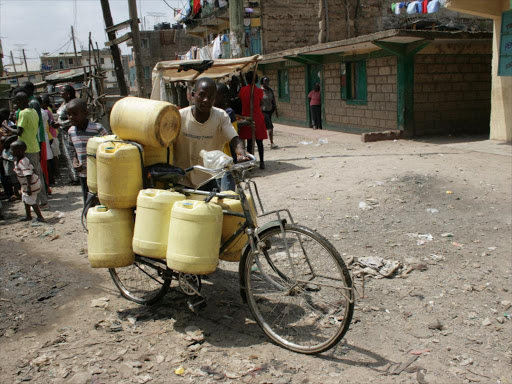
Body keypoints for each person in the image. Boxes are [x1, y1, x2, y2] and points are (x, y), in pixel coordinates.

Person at [173, 77, 248, 191]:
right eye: (202, 95)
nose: (206, 100)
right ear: (193, 95)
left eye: (211, 96)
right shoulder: (179, 117)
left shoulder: (221, 117)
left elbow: (235, 139)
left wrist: (241, 153)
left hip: (209, 180)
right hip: (181, 181)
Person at [2, 91, 49, 209]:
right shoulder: (33, 111)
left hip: (26, 147)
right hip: (34, 145)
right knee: (38, 175)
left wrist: (5, 126)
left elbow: (19, 132)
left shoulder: (23, 113)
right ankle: (42, 201)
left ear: (19, 102)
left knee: (30, 176)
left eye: (16, 102)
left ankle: (39, 202)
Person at [66, 98, 107, 204]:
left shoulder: (97, 129)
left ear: (86, 113)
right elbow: (73, 150)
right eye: (69, 114)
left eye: (75, 114)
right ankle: (89, 218)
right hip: (84, 174)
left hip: (99, 173)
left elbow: (108, 147)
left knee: (102, 199)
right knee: (88, 201)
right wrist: (75, 162)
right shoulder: (71, 131)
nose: (71, 117)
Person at [238, 71, 268, 169]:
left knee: (250, 142)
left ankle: (250, 163)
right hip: (257, 118)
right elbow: (260, 102)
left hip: (246, 118)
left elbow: (242, 98)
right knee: (259, 142)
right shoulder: (259, 91)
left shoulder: (242, 90)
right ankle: (262, 162)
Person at [11, 140, 45, 222]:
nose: (11, 151)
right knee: (25, 200)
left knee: (31, 201)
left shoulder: (23, 161)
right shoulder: (18, 160)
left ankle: (40, 217)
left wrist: (29, 187)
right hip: (25, 185)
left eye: (12, 150)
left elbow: (28, 174)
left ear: (19, 151)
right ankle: (28, 216)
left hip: (30, 185)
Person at [214, 82, 237, 191]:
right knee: (219, 192)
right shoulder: (212, 113)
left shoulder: (229, 113)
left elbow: (232, 137)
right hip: (215, 161)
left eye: (214, 95)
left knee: (228, 193)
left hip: (227, 161)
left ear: (223, 97)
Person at [55, 85, 77, 183]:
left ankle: (77, 177)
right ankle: (72, 176)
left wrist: (60, 123)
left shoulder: (73, 104)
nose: (60, 93)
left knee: (73, 153)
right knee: (67, 154)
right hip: (63, 132)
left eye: (62, 91)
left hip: (70, 132)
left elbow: (73, 119)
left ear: (68, 94)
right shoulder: (64, 103)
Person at [261, 76, 278, 149]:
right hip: (263, 110)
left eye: (268, 81)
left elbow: (273, 101)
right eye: (265, 81)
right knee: (270, 126)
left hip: (270, 110)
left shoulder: (270, 90)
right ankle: (272, 143)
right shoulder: (260, 91)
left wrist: (276, 111)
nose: (267, 83)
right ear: (262, 82)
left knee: (265, 126)